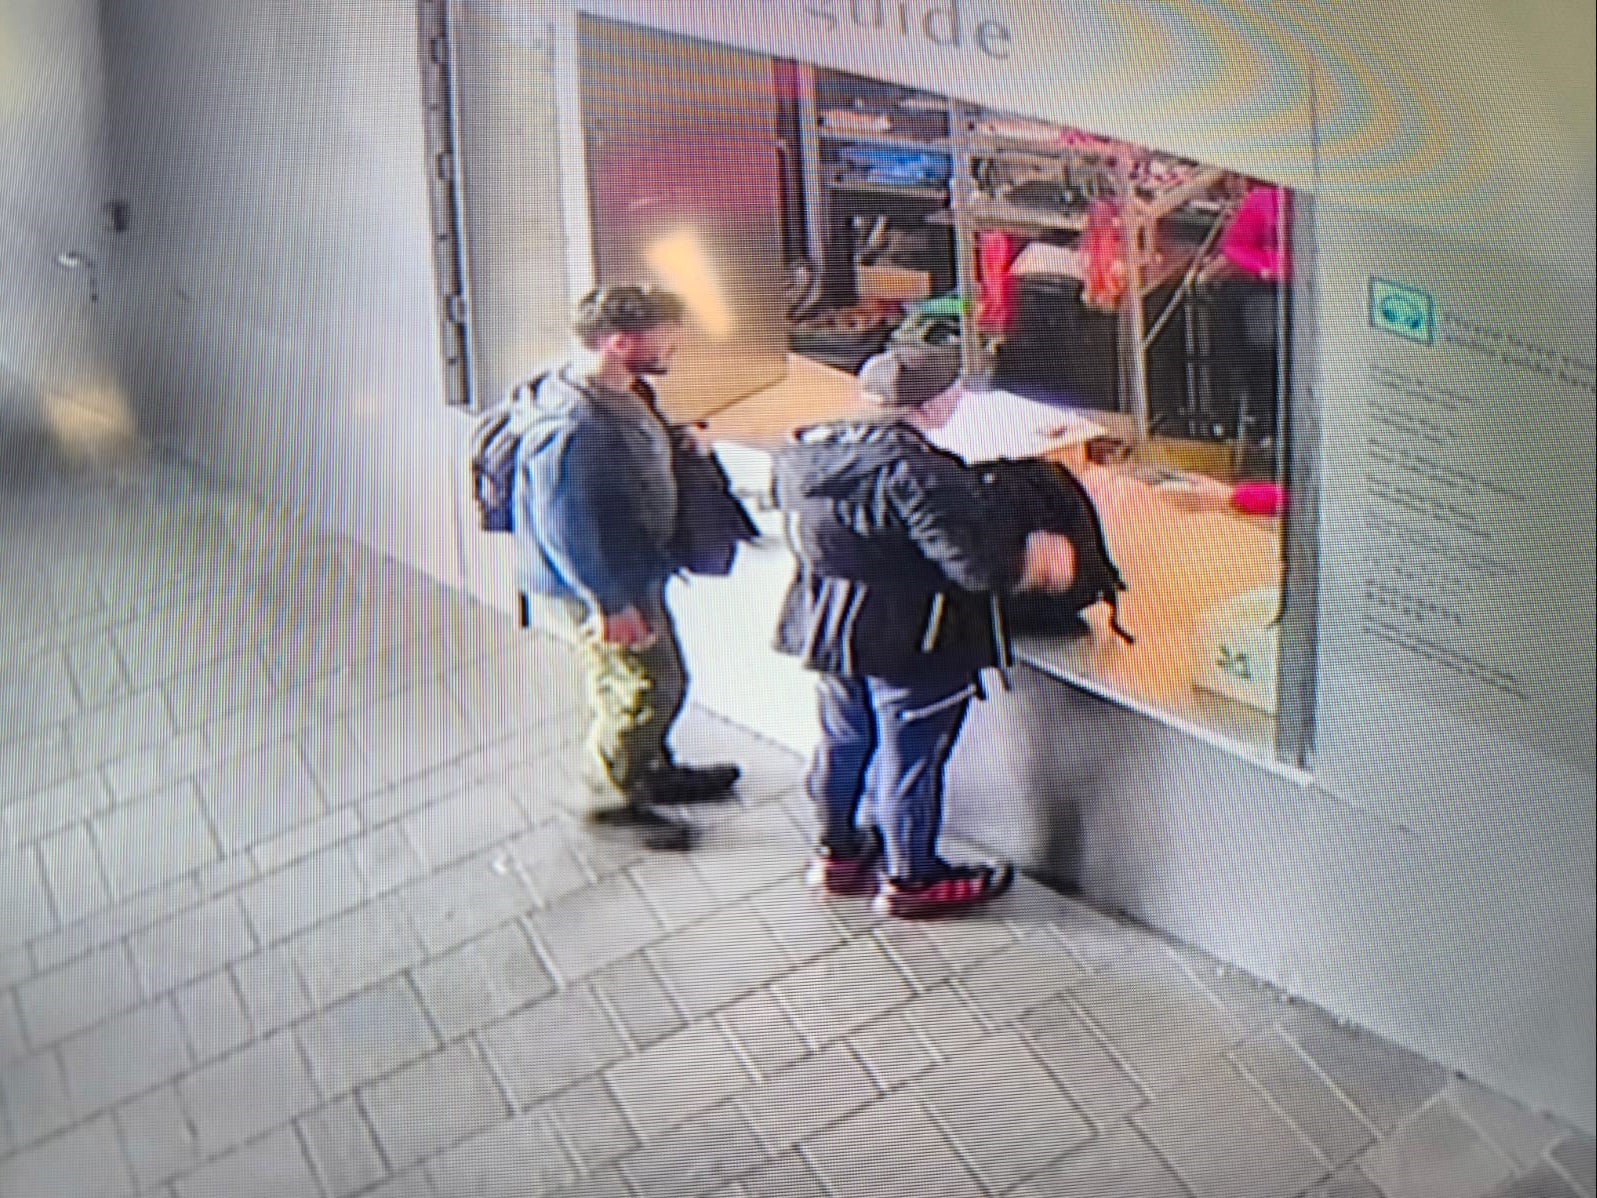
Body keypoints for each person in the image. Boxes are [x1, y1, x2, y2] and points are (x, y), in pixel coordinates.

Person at [772, 344, 1079, 917]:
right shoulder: (919, 474)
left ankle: (837, 853)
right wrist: (1034, 559)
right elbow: (976, 567)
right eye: (954, 392)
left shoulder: (812, 450)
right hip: (909, 637)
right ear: (934, 404)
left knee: (842, 741)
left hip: (830, 625)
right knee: (910, 756)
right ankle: (912, 879)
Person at [511, 284, 741, 851]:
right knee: (648, 686)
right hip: (604, 583)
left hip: (631, 568)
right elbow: (566, 528)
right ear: (618, 343)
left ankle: (648, 768)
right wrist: (609, 605)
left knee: (642, 681)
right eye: (665, 337)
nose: (676, 345)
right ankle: (609, 797)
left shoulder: (616, 387)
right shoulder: (573, 426)